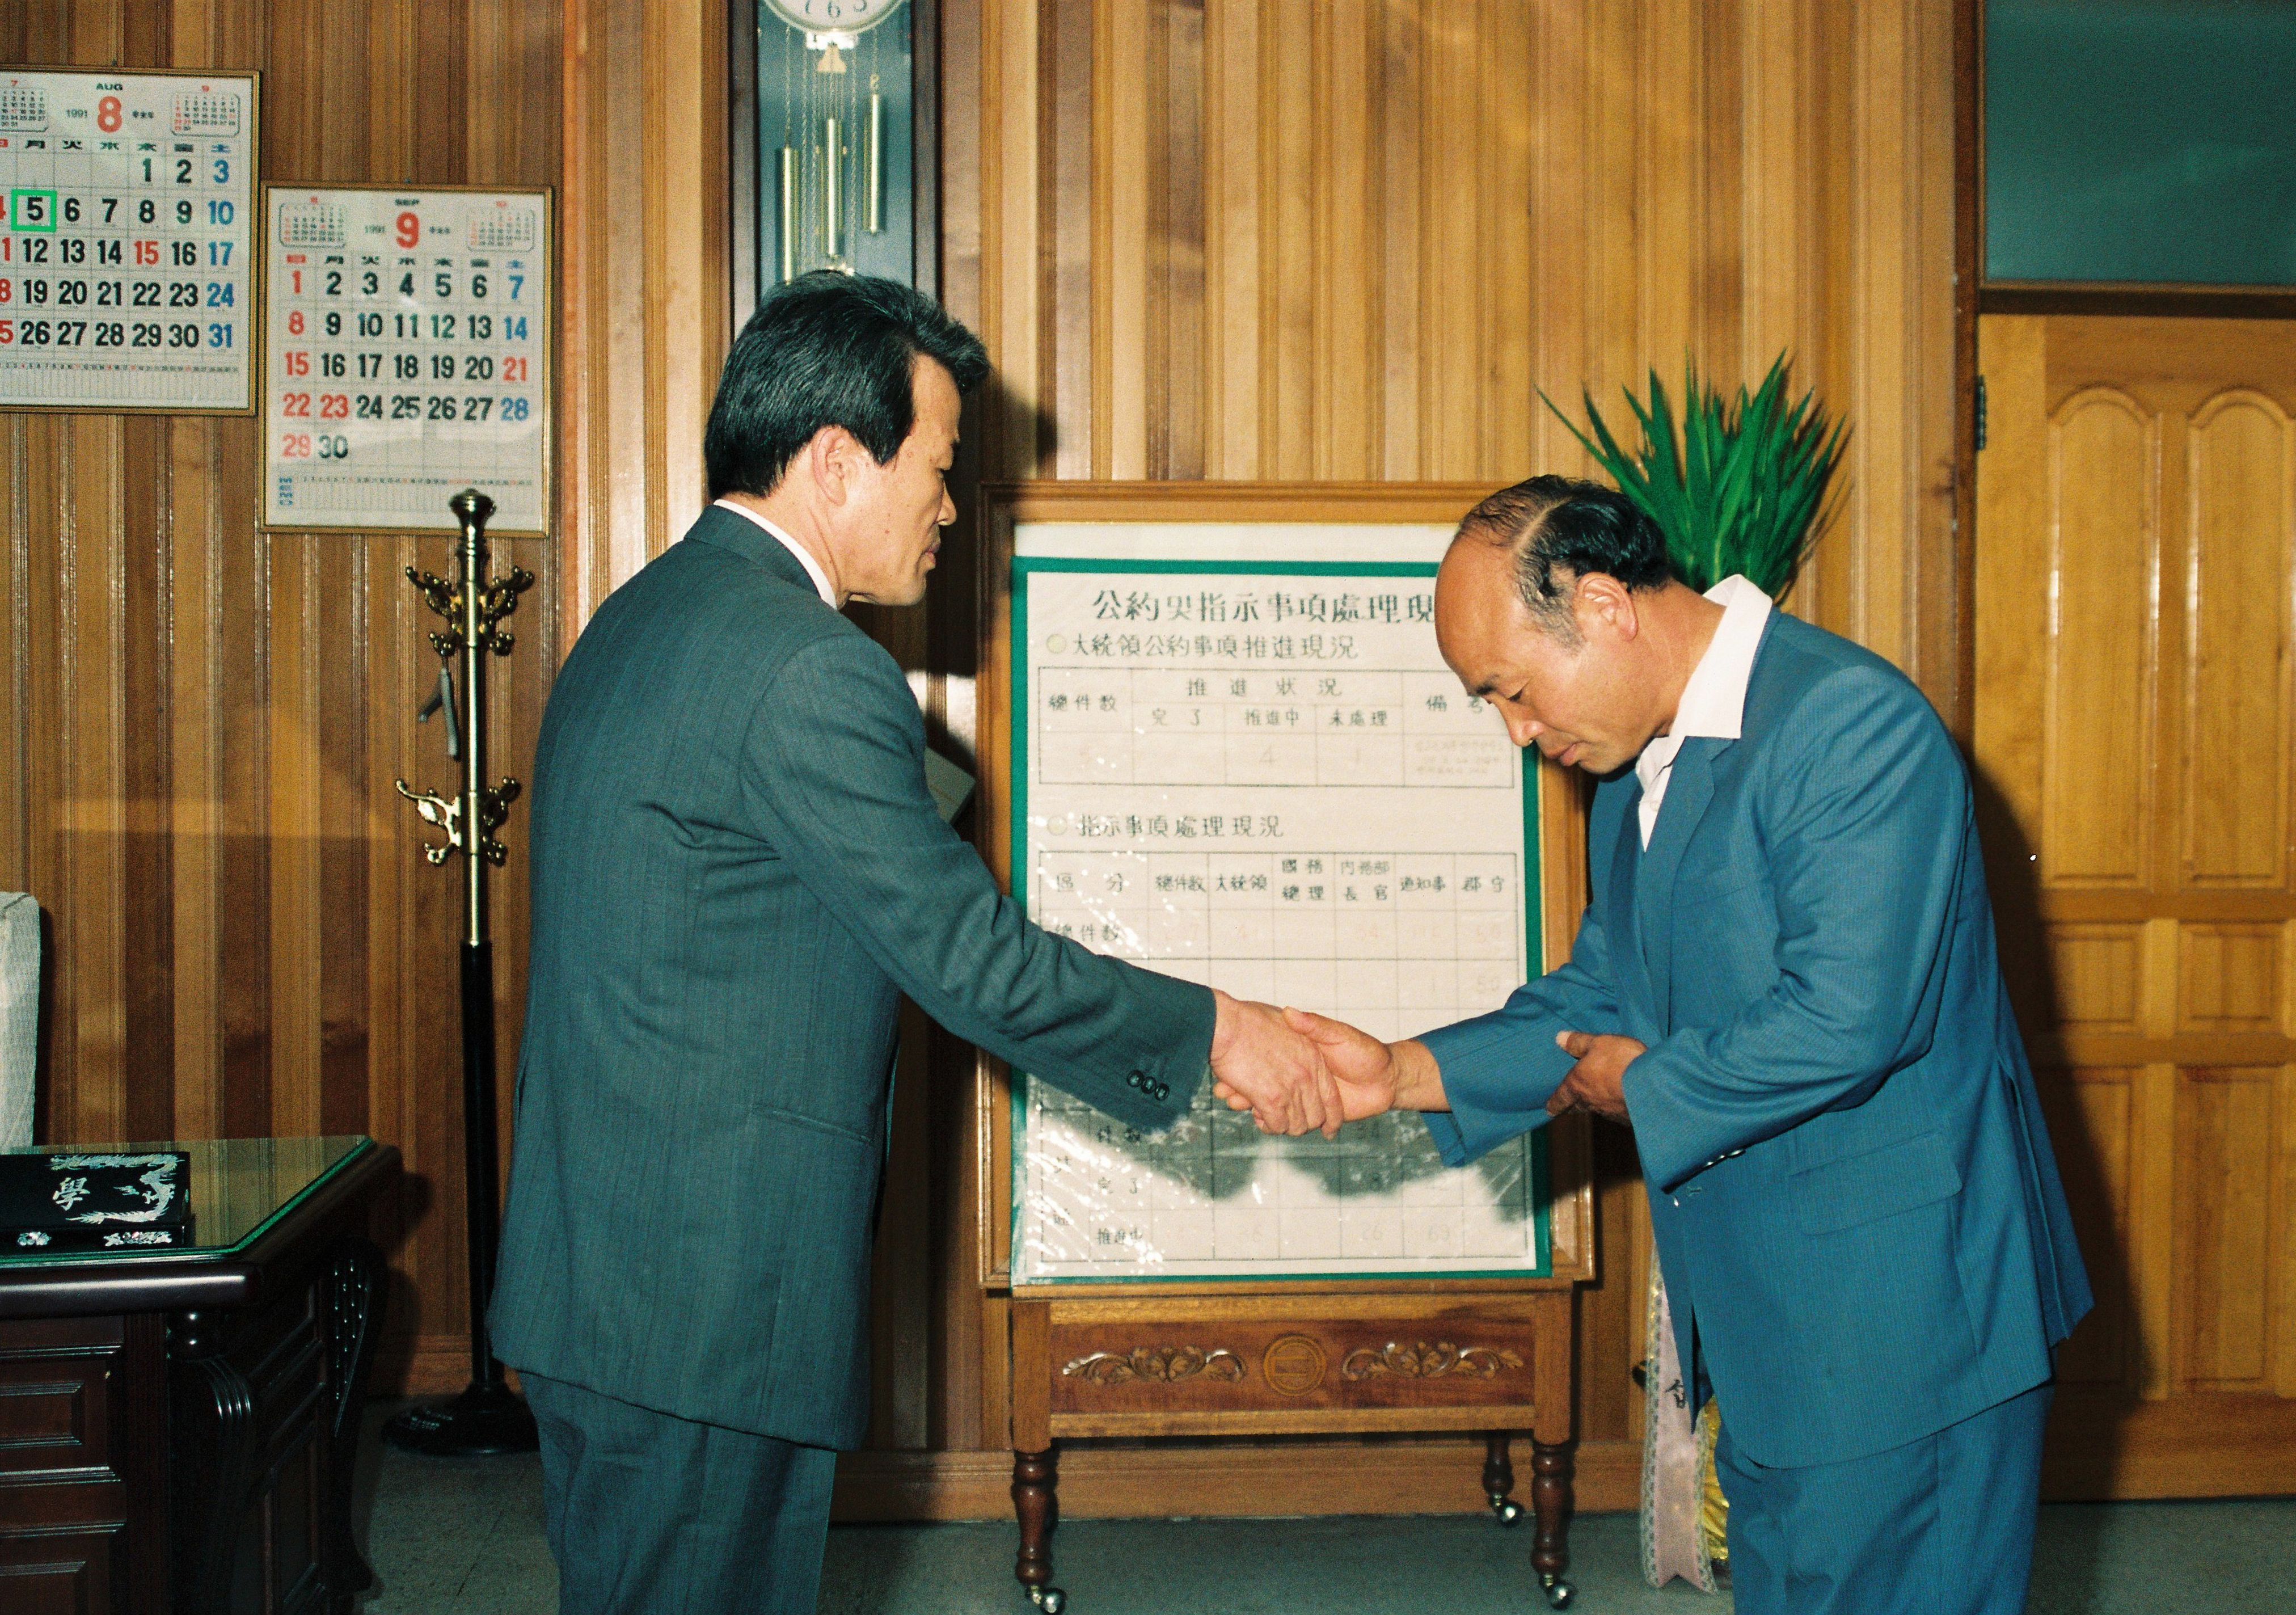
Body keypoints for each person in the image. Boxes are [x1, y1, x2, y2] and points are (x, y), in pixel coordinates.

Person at [491, 272, 1336, 1614]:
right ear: (838, 460)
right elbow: (975, 964)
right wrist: (1221, 1030)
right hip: (704, 1298)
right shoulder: (807, 667)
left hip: (610, 1272)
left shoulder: (646, 616)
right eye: (938, 468)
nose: (949, 509)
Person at [1281, 475, 2093, 1615]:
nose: (1518, 732)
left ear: (1602, 604)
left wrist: (1647, 1084)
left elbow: (1848, 1016)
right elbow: (1599, 992)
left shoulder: (1846, 720)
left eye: (1512, 690)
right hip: (1779, 1321)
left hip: (1904, 1327)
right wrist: (1402, 1071)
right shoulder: (1640, 769)